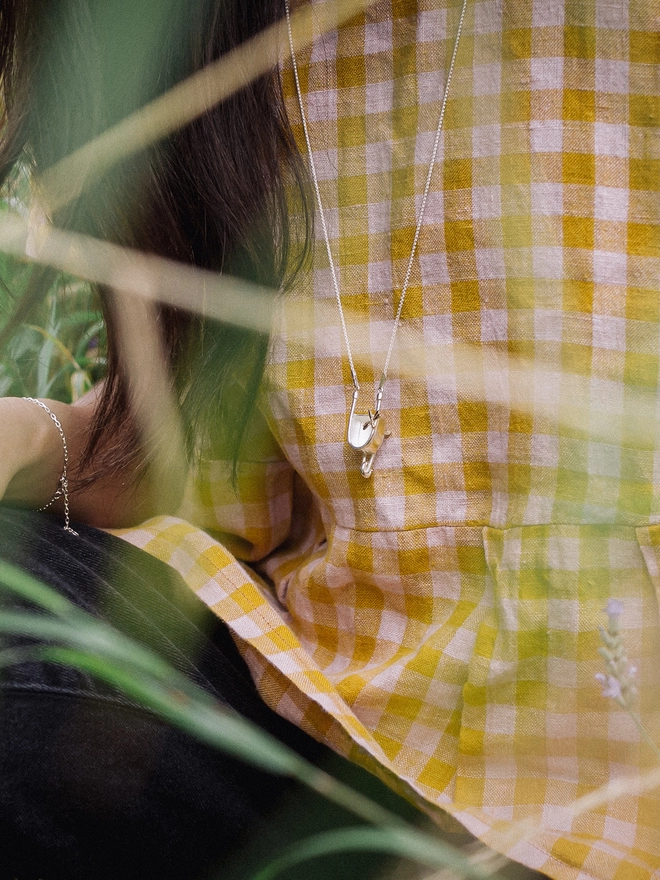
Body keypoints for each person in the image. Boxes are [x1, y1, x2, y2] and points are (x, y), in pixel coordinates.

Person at [0, 0, 659, 879]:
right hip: (322, 720)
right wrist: (32, 436)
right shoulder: (230, 37)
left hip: (609, 806)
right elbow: (192, 465)